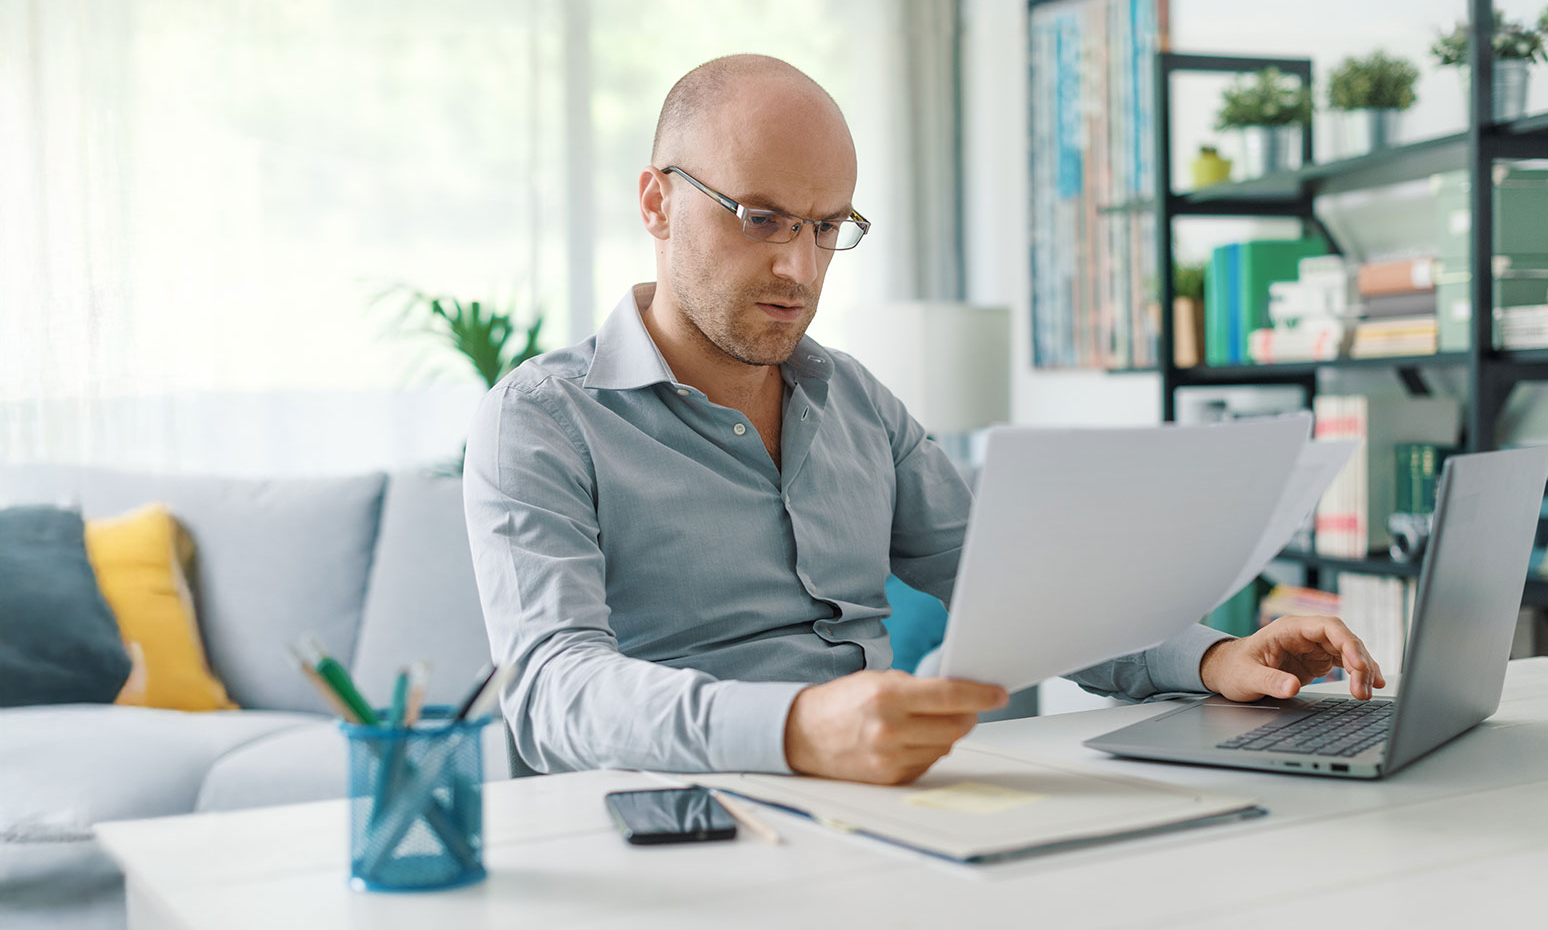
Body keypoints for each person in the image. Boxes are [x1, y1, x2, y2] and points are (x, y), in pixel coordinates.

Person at [464, 54, 1384, 786]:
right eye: (761, 218)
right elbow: (552, 691)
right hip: (677, 819)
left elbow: (1017, 582)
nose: (800, 268)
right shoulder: (541, 421)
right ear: (657, 202)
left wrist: (1215, 655)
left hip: (884, 803)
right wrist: (794, 727)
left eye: (828, 228)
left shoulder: (857, 402)